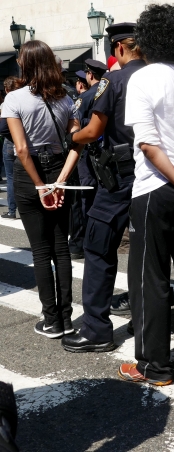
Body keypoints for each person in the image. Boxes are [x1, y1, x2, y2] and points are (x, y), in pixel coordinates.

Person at [118, 4, 174, 386]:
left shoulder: (143, 78)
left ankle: (154, 364)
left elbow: (148, 145)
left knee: (149, 277)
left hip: (158, 186)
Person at [60, 23, 146, 353]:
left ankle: (96, 328)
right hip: (154, 174)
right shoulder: (158, 75)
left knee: (98, 246)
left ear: (119, 49)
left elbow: (95, 129)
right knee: (146, 254)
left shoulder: (114, 79)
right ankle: (146, 321)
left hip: (120, 175)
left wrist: (73, 137)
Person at [3, 40, 82, 338]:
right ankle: (67, 318)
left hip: (29, 174)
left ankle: (51, 320)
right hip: (59, 166)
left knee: (40, 250)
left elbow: (21, 149)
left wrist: (39, 186)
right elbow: (77, 143)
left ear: (25, 63)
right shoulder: (66, 99)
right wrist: (60, 180)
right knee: (61, 248)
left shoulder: (14, 99)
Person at [67, 59, 106, 259]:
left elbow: (76, 126)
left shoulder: (88, 96)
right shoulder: (109, 90)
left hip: (87, 152)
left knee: (85, 198)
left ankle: (81, 244)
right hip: (106, 154)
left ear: (89, 75)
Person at [1, 77, 21, 219]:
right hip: (25, 142)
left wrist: (13, 135)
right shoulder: (23, 100)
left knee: (11, 177)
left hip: (9, 142)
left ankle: (12, 210)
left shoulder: (6, 103)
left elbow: (2, 128)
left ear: (7, 90)